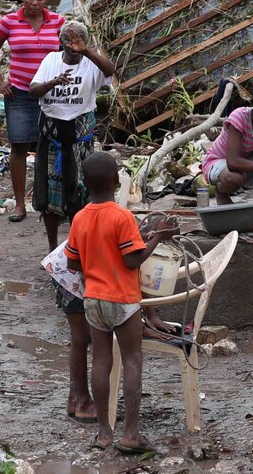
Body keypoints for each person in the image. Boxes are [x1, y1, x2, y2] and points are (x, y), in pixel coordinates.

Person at [65, 153, 175, 454]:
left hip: (93, 301)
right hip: (123, 301)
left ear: (85, 184)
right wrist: (157, 239)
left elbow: (72, 263)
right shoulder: (122, 216)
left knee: (100, 362)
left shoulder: (80, 217)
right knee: (132, 361)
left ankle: (103, 433)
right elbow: (132, 260)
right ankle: (130, 434)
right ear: (117, 181)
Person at [0, 0, 66, 223]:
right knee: (19, 146)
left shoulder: (58, 22)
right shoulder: (9, 22)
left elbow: (69, 52)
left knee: (51, 146)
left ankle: (49, 202)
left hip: (51, 93)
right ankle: (20, 204)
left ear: (47, 0)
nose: (35, 2)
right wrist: (0, 82)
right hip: (19, 92)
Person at [28, 21, 116, 251]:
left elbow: (110, 70)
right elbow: (33, 90)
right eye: (67, 42)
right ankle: (52, 247)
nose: (72, 48)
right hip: (52, 137)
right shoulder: (50, 61)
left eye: (77, 42)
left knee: (81, 194)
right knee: (49, 199)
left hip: (79, 140)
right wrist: (53, 82)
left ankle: (78, 247)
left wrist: (85, 50)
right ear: (61, 43)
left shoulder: (90, 63)